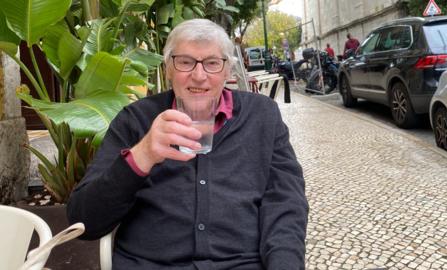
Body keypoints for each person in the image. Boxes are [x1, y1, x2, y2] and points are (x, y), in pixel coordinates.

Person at [67, 18, 308, 270]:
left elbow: (286, 202)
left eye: (213, 63)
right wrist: (143, 154)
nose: (199, 75)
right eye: (185, 62)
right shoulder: (135, 120)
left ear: (228, 71)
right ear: (168, 69)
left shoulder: (262, 115)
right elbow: (84, 222)